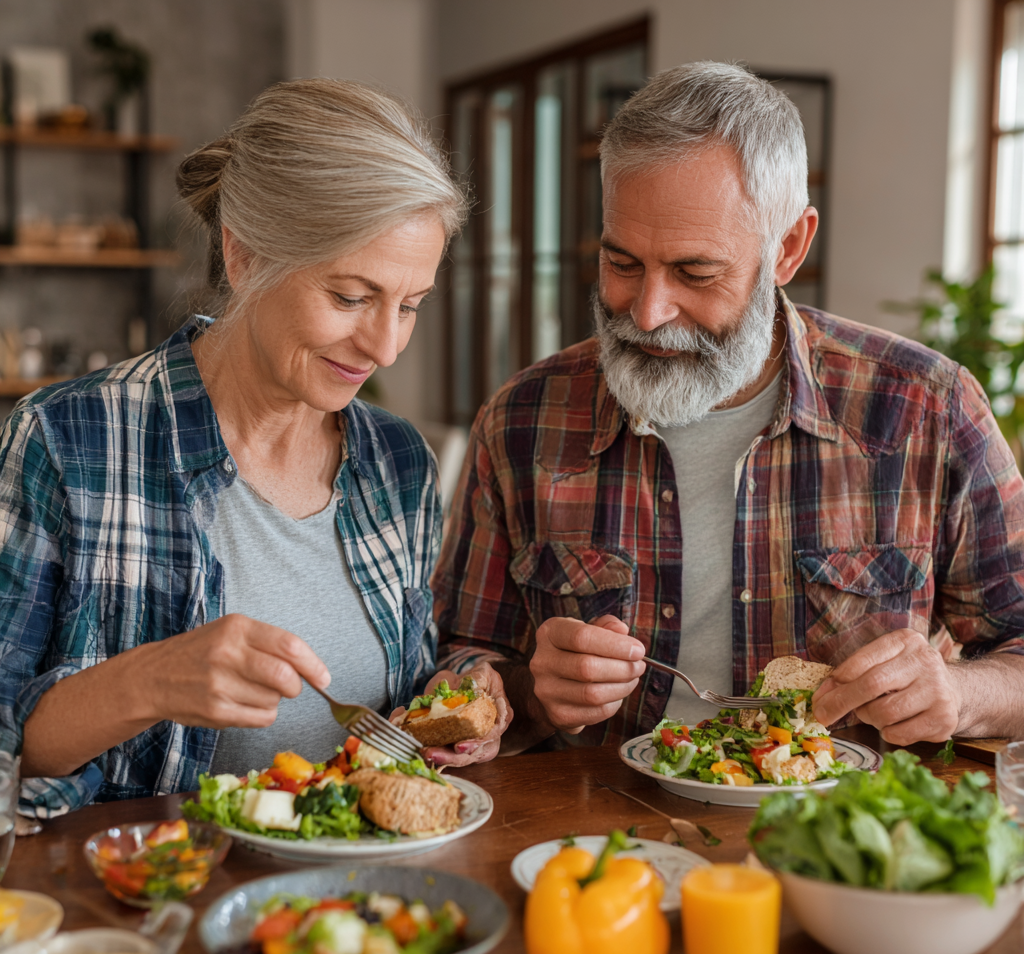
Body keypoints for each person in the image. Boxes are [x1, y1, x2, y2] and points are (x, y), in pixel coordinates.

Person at [433, 61, 1024, 754]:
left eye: (695, 272)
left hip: (835, 844)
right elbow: (460, 657)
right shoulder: (523, 420)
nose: (648, 314)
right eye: (622, 263)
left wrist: (958, 693)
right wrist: (528, 694)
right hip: (597, 842)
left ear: (789, 249)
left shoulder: (927, 409)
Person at [0, 79, 508, 817]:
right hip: (146, 905)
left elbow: (405, 691)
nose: (385, 347)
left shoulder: (399, 463)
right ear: (243, 256)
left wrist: (452, 701)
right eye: (351, 297)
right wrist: (149, 681)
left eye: (409, 308)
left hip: (364, 911)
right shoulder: (67, 440)